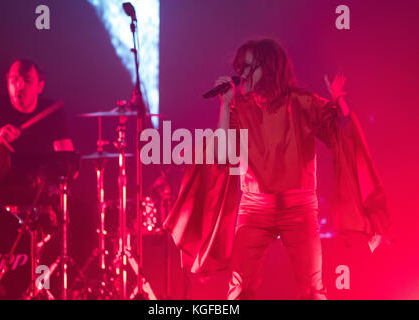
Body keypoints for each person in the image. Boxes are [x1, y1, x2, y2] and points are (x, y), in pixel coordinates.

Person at [164, 39, 391, 300]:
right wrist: (225, 106)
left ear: (269, 68)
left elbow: (341, 135)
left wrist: (340, 104)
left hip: (299, 208)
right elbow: (222, 154)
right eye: (240, 67)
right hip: (254, 209)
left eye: (248, 66)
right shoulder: (242, 108)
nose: (242, 74)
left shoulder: (302, 103)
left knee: (312, 289)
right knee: (239, 289)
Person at [0, 58, 74, 197]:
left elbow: (68, 163)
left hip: (38, 196)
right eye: (14, 80)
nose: (19, 85)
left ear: (40, 86)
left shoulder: (51, 111)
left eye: (27, 80)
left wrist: (60, 182)